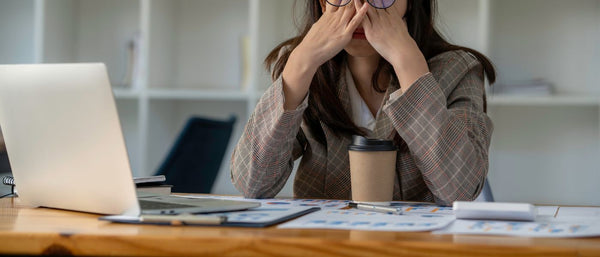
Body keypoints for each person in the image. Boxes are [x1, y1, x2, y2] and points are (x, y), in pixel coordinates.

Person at [231, 0, 495, 205]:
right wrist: (300, 63)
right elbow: (251, 184)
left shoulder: (459, 69)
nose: (359, 9)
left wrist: (407, 61)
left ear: (411, 3)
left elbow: (460, 191)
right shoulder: (304, 70)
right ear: (323, 3)